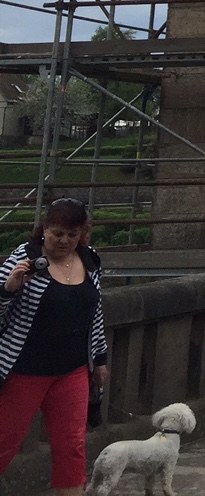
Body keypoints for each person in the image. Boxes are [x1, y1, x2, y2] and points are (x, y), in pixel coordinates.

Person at [0, 198, 110, 496]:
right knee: (5, 441)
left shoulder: (90, 260)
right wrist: (9, 289)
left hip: (72, 370)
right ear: (45, 229)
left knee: (71, 446)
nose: (64, 241)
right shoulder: (24, 259)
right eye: (58, 233)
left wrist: (100, 359)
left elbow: (94, 314)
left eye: (72, 235)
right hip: (24, 370)